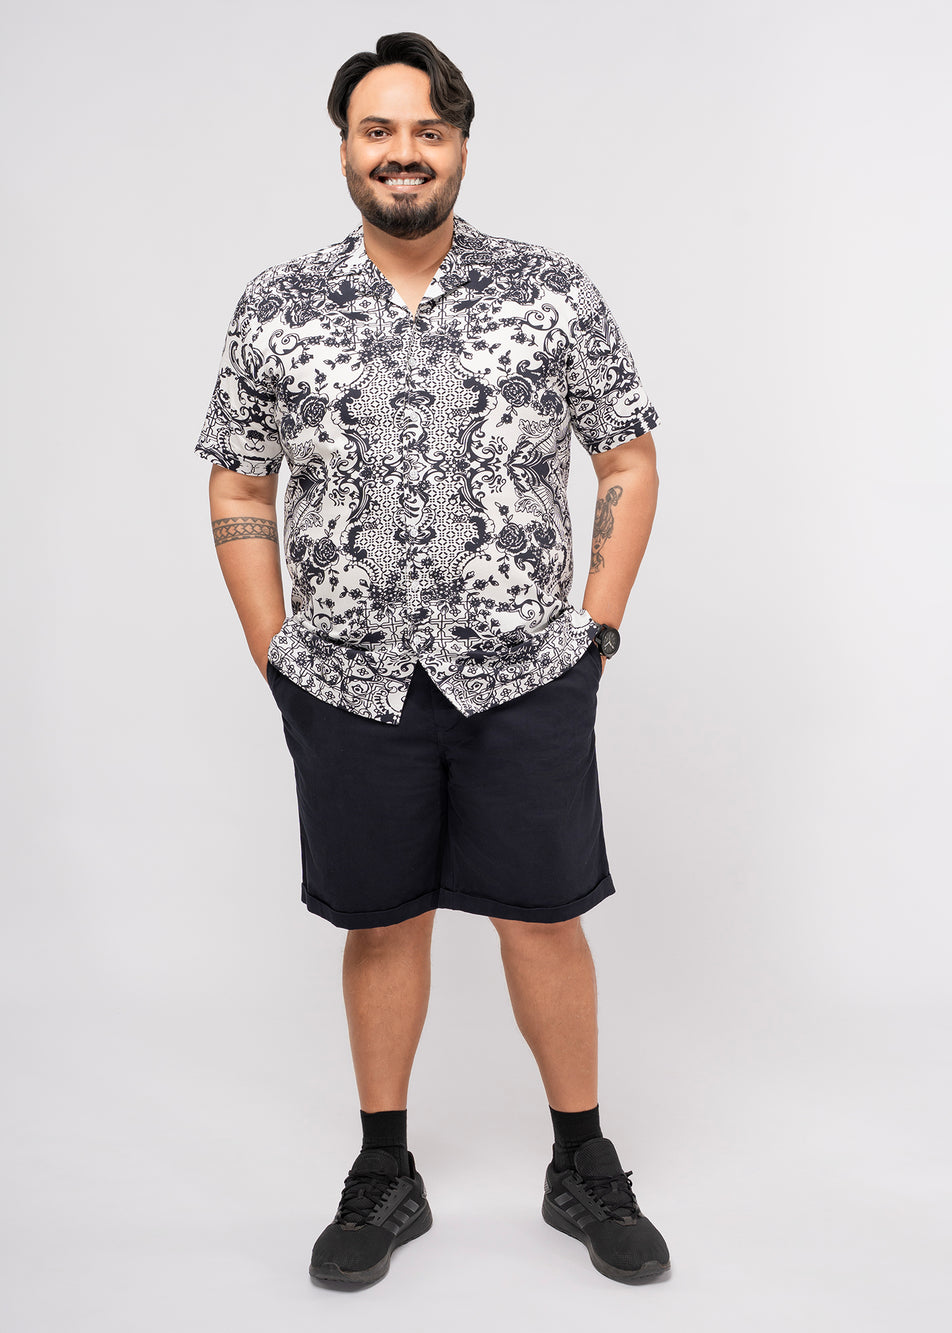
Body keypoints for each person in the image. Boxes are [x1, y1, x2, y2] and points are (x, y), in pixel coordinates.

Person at [196, 32, 670, 1289]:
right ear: (345, 145)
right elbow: (238, 480)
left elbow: (625, 454)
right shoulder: (277, 305)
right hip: (346, 677)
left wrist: (595, 627)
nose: (402, 152)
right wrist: (273, 650)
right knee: (378, 918)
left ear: (459, 145)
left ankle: (582, 1161)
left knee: (544, 915)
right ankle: (383, 1169)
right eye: (379, 130)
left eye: (428, 131)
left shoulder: (549, 291)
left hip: (524, 670)